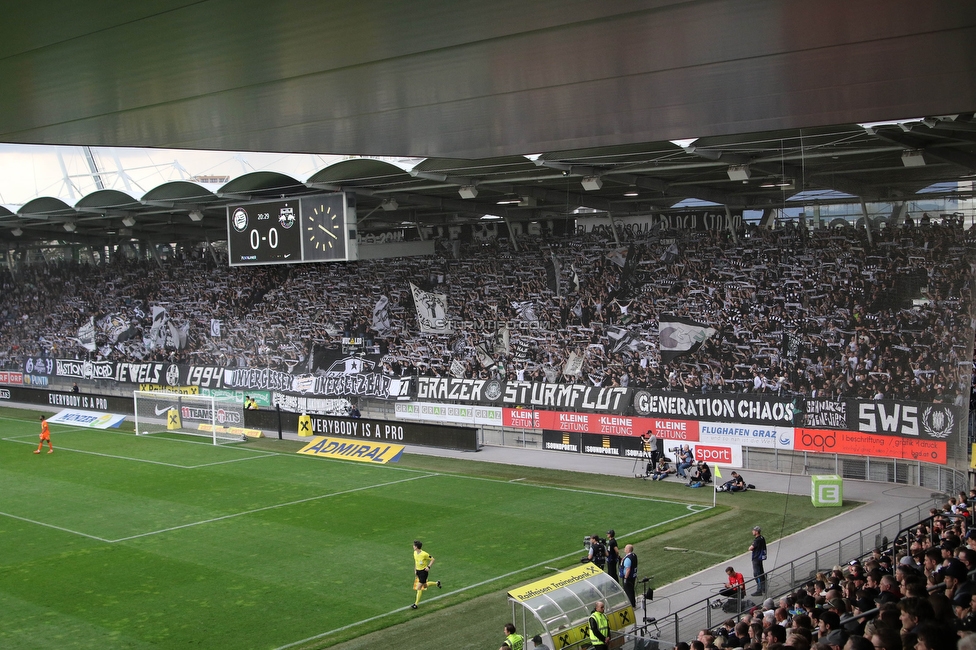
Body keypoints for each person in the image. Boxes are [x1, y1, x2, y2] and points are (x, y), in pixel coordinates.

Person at [411, 540, 441, 609]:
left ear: (416, 547)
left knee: (419, 587)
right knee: (425, 585)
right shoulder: (415, 553)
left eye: (414, 545)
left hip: (423, 572)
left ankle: (416, 604)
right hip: (418, 571)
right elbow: (416, 561)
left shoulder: (424, 554)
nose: (413, 546)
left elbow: (432, 559)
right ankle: (437, 583)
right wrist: (415, 569)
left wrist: (428, 567)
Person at [749, 525, 767, 596]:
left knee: (757, 574)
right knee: (761, 573)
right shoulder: (762, 538)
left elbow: (750, 548)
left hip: (756, 558)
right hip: (760, 558)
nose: (752, 532)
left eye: (753, 530)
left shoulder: (757, 540)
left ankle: (759, 590)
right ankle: (763, 588)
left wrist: (751, 547)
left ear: (756, 532)